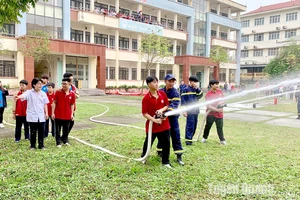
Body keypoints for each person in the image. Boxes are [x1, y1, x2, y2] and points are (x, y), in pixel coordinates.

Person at [140, 76, 171, 168]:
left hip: (164, 124)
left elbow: (166, 105)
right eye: (154, 82)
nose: (156, 84)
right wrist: (154, 120)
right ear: (149, 84)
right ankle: (143, 157)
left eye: (157, 82)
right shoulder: (146, 98)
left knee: (166, 143)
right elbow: (144, 113)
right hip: (152, 126)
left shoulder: (162, 94)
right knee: (148, 142)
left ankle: (165, 162)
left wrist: (161, 110)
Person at [157, 74, 184, 166]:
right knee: (162, 135)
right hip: (162, 117)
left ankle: (179, 155)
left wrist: (166, 113)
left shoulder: (175, 93)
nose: (172, 83)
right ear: (165, 81)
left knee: (175, 135)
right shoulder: (160, 91)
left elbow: (174, 105)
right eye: (170, 81)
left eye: (173, 81)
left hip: (172, 118)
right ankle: (160, 151)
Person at [15, 78, 49, 150]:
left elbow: (45, 104)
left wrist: (46, 113)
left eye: (41, 84)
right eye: (38, 84)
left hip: (41, 116)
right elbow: (23, 96)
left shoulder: (43, 93)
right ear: (34, 85)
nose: (40, 85)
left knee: (41, 132)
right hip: (32, 116)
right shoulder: (29, 92)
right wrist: (18, 97)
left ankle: (41, 145)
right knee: (33, 131)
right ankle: (32, 145)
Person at [52, 78, 76, 147]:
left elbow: (72, 104)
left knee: (66, 129)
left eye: (65, 84)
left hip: (67, 115)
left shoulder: (72, 94)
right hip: (58, 114)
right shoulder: (58, 92)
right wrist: (53, 113)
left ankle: (65, 140)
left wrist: (71, 114)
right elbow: (54, 103)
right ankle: (58, 142)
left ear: (69, 84)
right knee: (57, 130)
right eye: (62, 84)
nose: (63, 85)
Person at [202, 79, 227, 145]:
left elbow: (224, 100)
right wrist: (217, 110)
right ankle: (204, 138)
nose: (217, 85)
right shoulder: (208, 94)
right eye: (215, 84)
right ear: (211, 85)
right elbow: (208, 106)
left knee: (220, 127)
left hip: (219, 114)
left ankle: (222, 140)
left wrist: (221, 102)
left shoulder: (220, 91)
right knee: (208, 126)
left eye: (217, 84)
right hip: (210, 114)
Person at [181, 75, 203, 145]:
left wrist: (197, 88)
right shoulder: (185, 90)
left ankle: (190, 138)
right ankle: (188, 141)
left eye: (196, 82)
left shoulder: (196, 89)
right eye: (194, 82)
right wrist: (184, 110)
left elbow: (200, 95)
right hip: (189, 111)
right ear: (190, 82)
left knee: (194, 125)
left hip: (196, 111)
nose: (196, 83)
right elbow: (183, 101)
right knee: (190, 126)